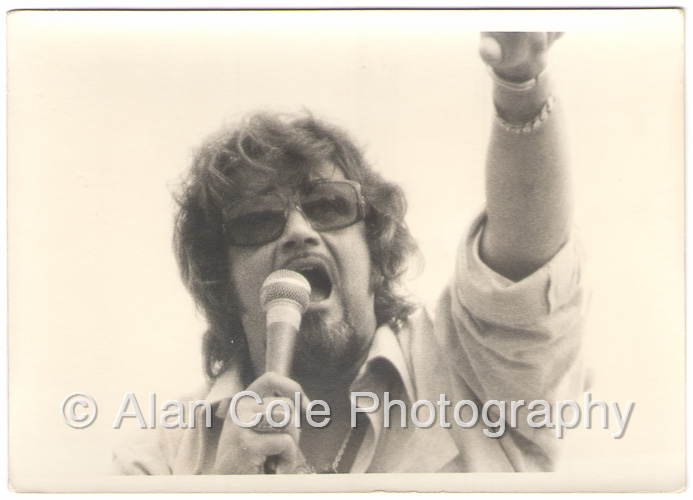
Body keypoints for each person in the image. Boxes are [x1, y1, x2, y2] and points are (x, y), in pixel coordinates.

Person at [113, 32, 588, 474]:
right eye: (257, 220)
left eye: (328, 206)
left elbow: (522, 270)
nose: (299, 232)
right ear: (223, 278)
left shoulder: (472, 374)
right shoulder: (157, 460)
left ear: (375, 255)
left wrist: (521, 84)